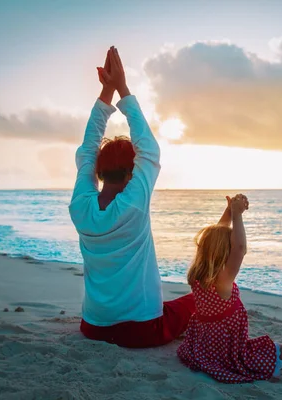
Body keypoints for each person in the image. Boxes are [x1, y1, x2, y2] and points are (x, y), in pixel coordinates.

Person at [69, 46, 195, 348]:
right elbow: (149, 150)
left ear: (98, 172)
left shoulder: (80, 207)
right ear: (131, 173)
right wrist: (121, 87)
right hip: (142, 329)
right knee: (204, 298)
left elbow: (88, 150)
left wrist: (107, 92)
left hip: (94, 327)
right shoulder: (134, 205)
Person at [177, 194, 282, 383]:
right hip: (226, 351)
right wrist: (238, 215)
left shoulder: (199, 275)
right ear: (225, 251)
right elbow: (239, 248)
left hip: (205, 344)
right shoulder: (223, 280)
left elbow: (216, 237)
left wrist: (229, 211)